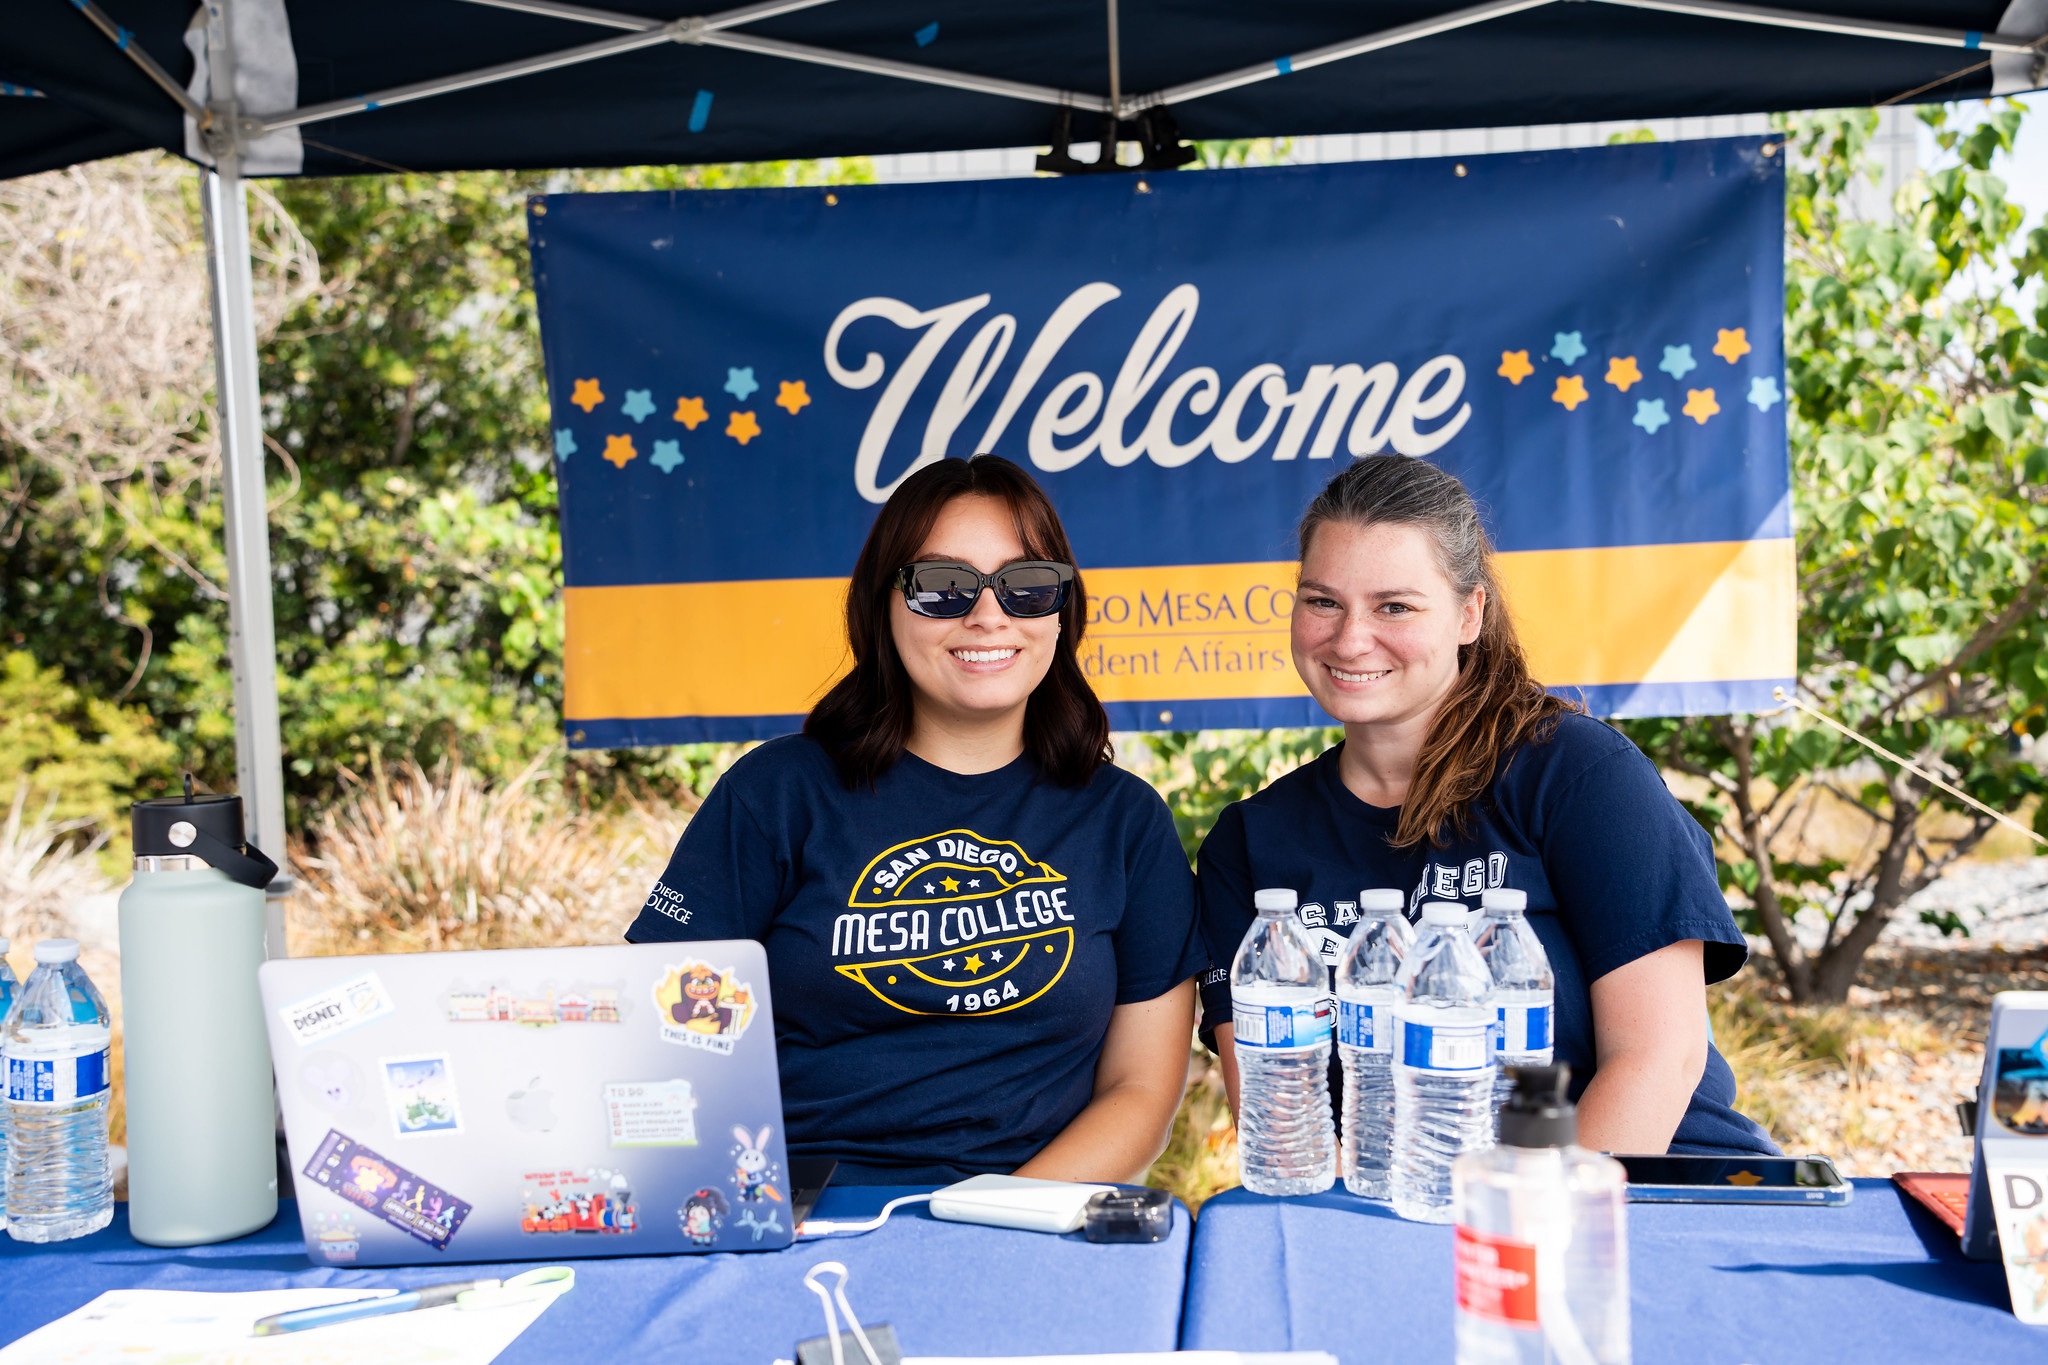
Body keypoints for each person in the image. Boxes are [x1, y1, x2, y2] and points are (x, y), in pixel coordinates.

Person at [628, 455, 1205, 1184]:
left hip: (1026, 1222)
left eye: (1026, 585)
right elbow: (663, 1038)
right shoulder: (776, 794)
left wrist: (995, 1219)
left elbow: (1141, 1092)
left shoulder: (1124, 821)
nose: (988, 615)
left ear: (1061, 610)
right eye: (943, 586)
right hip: (798, 1213)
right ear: (883, 603)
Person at [1197, 456, 1777, 1156]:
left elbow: (1659, 1062)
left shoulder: (1580, 776)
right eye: (1323, 601)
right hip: (1396, 1217)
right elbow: (1280, 1121)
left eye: (1395, 606)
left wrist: (1514, 1235)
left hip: (1638, 1194)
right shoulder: (1250, 844)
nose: (1350, 638)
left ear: (1470, 612)